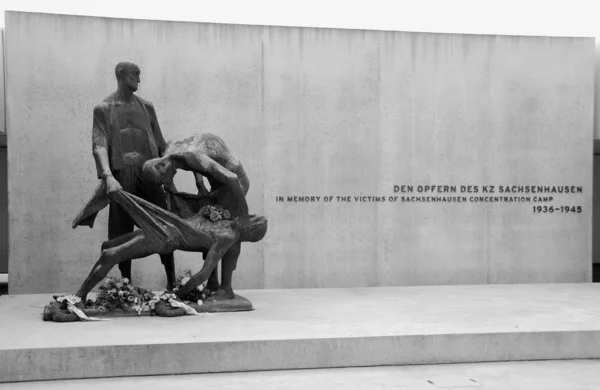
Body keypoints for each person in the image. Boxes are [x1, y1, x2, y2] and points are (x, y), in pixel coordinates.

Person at [73, 61, 176, 289]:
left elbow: (160, 142)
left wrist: (168, 174)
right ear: (121, 75)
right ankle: (127, 287)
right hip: (121, 174)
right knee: (121, 231)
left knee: (164, 225)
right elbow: (99, 144)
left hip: (148, 171)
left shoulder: (147, 107)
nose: (139, 79)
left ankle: (172, 283)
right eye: (135, 74)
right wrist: (108, 176)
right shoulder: (104, 108)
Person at [142, 133, 252, 299]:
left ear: (161, 165)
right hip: (218, 182)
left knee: (229, 230)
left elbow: (232, 177)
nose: (169, 180)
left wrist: (244, 214)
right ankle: (213, 283)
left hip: (234, 183)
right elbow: (196, 165)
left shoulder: (190, 156)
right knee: (210, 226)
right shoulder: (171, 148)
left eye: (164, 178)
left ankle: (226, 288)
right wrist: (200, 185)